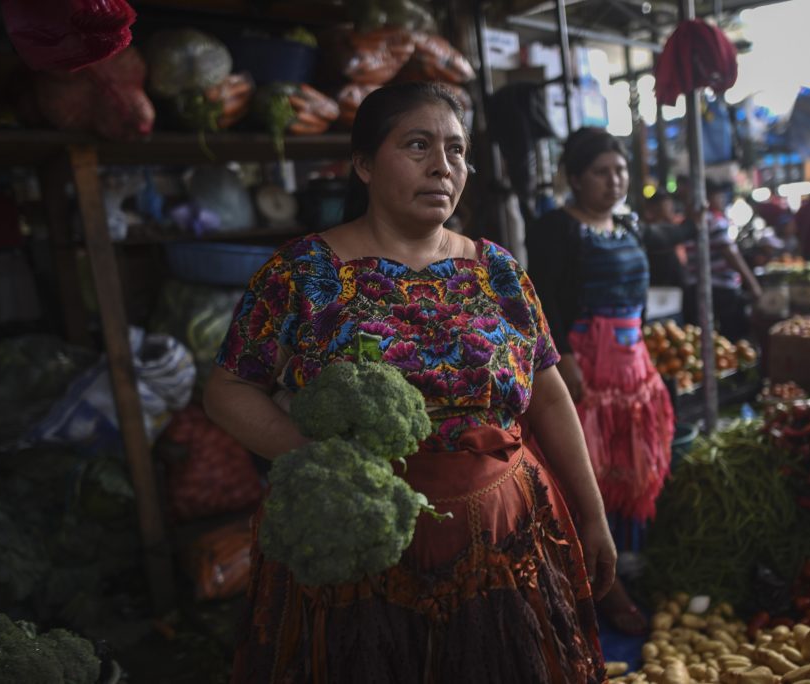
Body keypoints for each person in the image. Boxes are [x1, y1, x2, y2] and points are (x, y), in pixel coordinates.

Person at [204, 82, 616, 683]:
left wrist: (593, 511)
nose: (441, 166)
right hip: (358, 544)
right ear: (364, 163)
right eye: (417, 145)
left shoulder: (498, 270)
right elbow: (228, 390)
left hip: (500, 541)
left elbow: (548, 392)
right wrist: (320, 463)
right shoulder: (303, 272)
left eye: (455, 150)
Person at [526, 128, 693, 636]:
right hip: (583, 365)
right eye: (601, 171)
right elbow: (543, 295)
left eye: (620, 170)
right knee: (586, 468)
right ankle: (597, 579)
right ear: (575, 178)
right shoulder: (557, 227)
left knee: (632, 464)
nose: (614, 180)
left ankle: (624, 560)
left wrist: (696, 222)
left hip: (632, 364)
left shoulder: (630, 224)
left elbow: (666, 242)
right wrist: (566, 357)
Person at [682, 179, 762, 341]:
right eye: (719, 196)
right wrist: (753, 285)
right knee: (732, 338)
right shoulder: (712, 221)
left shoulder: (687, 223)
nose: (722, 200)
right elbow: (731, 254)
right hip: (720, 290)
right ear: (708, 199)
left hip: (696, 289)